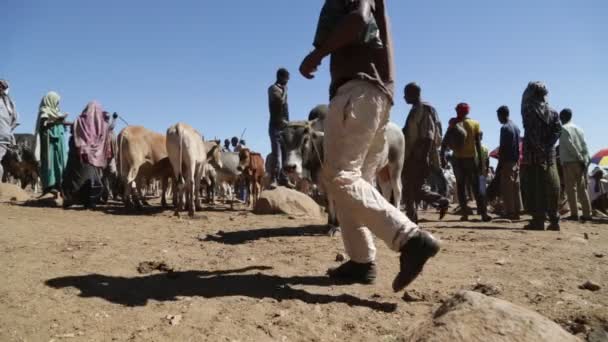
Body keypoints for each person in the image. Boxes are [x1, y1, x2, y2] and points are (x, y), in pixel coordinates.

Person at [299, 0, 439, 291]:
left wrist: (318, 53)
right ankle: (361, 261)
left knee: (339, 176)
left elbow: (359, 21)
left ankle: (410, 239)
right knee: (356, 183)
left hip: (358, 92)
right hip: (377, 95)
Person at [401, 82, 449, 223]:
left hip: (419, 156)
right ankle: (412, 218)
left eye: (406, 94)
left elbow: (428, 136)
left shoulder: (424, 109)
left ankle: (440, 201)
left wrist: (422, 158)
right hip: (413, 155)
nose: (404, 97)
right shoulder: (416, 109)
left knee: (412, 188)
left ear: (414, 93)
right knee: (412, 188)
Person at [521, 82, 562, 231]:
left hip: (534, 154)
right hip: (549, 154)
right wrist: (548, 146)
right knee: (552, 185)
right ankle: (554, 219)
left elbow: (530, 131)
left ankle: (538, 220)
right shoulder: (553, 111)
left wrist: (538, 147)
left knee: (535, 185)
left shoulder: (528, 109)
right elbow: (558, 131)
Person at [443, 103, 492, 222]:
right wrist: (481, 161)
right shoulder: (474, 124)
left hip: (457, 159)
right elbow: (478, 144)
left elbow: (445, 140)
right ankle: (483, 214)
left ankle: (465, 214)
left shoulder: (453, 123)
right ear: (468, 112)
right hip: (470, 159)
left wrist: (442, 155)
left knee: (460, 187)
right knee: (476, 187)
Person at [559, 108, 592, 222]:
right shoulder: (579, 129)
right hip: (581, 162)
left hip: (570, 162)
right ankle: (587, 214)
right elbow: (585, 146)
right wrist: (585, 160)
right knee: (582, 189)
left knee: (571, 189)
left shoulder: (563, 129)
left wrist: (578, 156)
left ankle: (574, 214)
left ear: (561, 117)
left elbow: (569, 145)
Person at [35, 91, 69, 197]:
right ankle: (49, 187)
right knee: (50, 163)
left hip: (59, 142)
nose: (58, 104)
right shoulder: (44, 111)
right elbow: (44, 124)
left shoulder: (57, 112)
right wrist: (56, 120)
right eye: (56, 101)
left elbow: (62, 124)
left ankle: (60, 186)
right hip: (49, 142)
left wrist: (63, 121)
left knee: (61, 162)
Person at [496, 105, 522, 219]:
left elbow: (503, 147)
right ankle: (517, 211)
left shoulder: (505, 128)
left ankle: (509, 212)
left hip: (507, 161)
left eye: (498, 116)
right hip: (516, 161)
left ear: (502, 115)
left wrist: (500, 164)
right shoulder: (516, 127)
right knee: (516, 187)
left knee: (507, 187)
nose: (498, 119)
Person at [268, 68, 292, 189]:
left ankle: (284, 178)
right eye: (286, 79)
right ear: (280, 77)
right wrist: (285, 91)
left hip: (284, 127)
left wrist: (288, 123)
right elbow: (279, 102)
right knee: (277, 155)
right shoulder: (273, 89)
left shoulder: (283, 89)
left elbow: (286, 107)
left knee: (286, 154)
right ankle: (274, 178)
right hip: (275, 126)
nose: (287, 82)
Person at [0, 80, 19, 180]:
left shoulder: (8, 103)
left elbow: (15, 119)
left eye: (2, 86)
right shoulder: (8, 103)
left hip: (3, 136)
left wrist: (7, 130)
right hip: (5, 135)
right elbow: (15, 120)